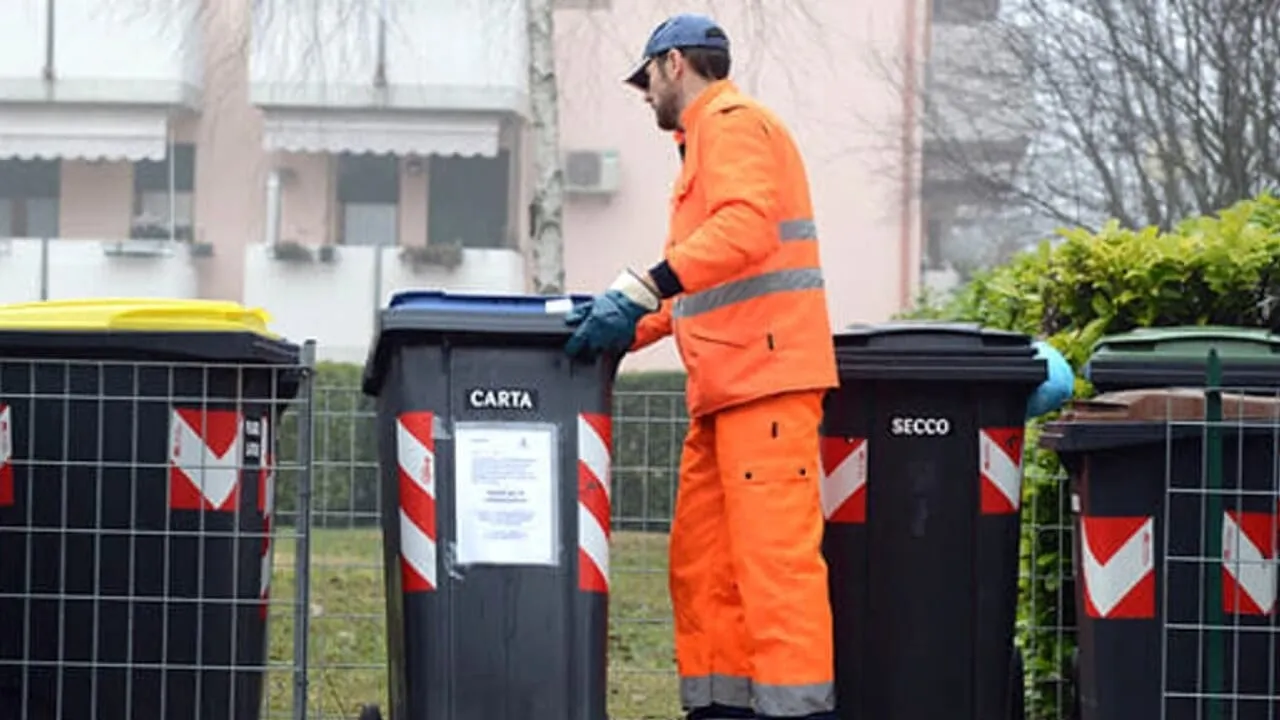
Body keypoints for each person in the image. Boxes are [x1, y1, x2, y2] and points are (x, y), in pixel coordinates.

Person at [562, 13, 840, 720]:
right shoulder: (704, 147)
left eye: (645, 78)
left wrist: (638, 289)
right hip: (728, 391)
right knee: (705, 570)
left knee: (773, 571)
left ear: (675, 63)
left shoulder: (733, 123)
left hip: (766, 389)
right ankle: (721, 709)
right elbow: (703, 283)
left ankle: (799, 711)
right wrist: (624, 328)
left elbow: (744, 231)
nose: (644, 92)